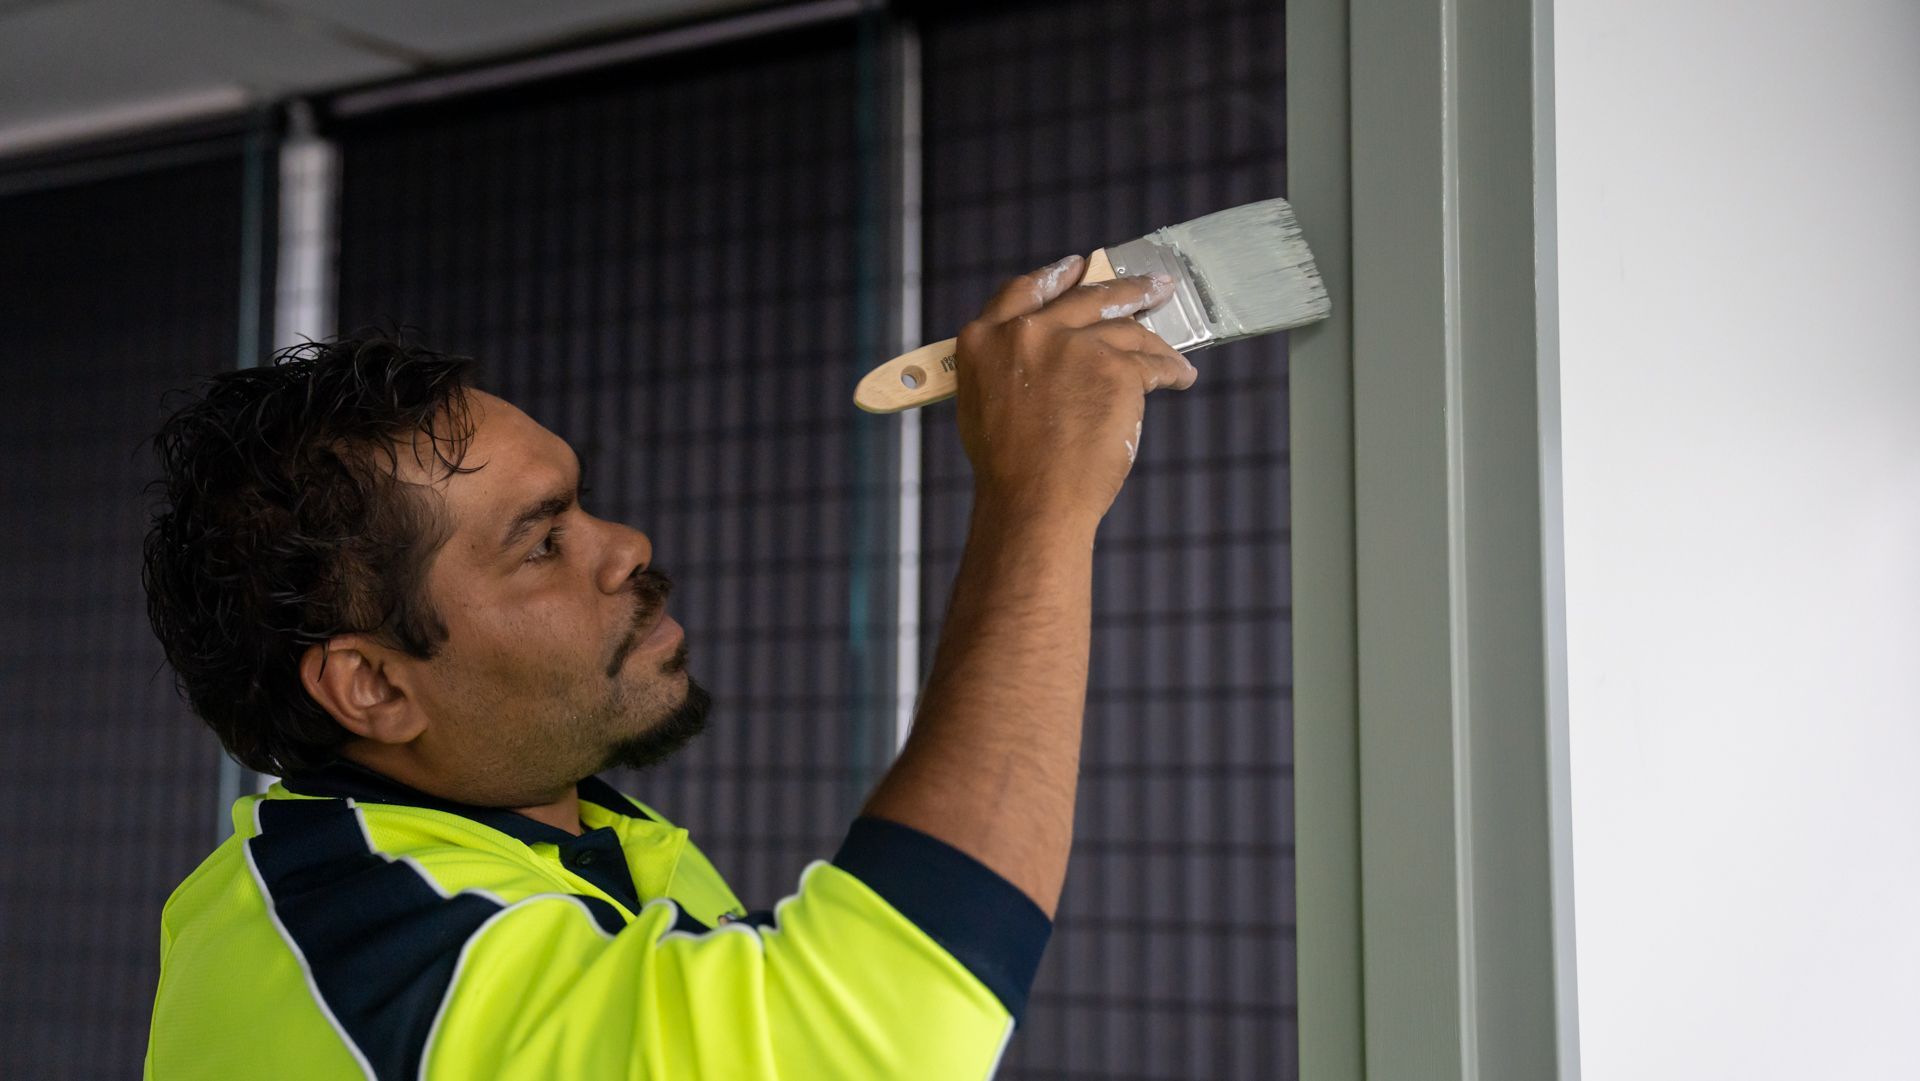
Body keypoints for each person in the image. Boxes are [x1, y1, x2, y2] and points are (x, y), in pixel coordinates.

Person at [140, 255, 1197, 1079]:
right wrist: (1039, 502)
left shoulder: (592, 844)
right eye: (540, 542)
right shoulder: (342, 938)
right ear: (372, 685)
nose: (626, 543)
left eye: (580, 499)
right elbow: (878, 1038)